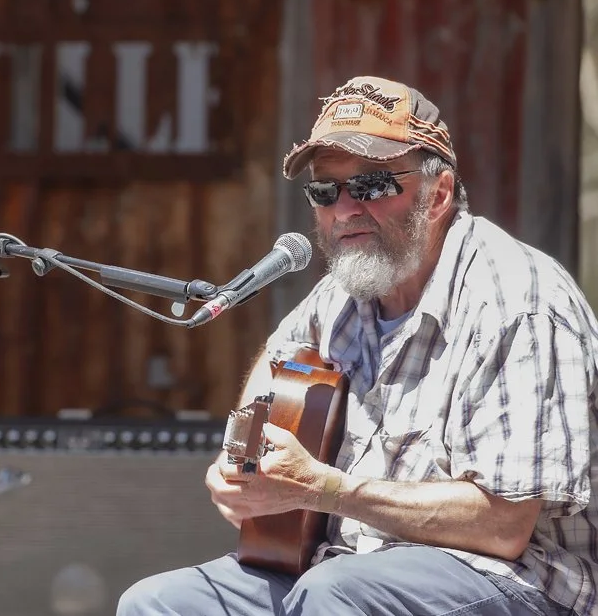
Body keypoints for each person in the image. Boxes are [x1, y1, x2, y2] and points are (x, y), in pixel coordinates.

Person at [117, 75, 598, 616]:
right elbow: (277, 361)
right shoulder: (349, 288)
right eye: (325, 191)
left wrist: (324, 490)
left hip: (512, 581)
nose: (344, 209)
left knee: (334, 593)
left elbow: (503, 526)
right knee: (158, 603)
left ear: (438, 195)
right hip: (341, 568)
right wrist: (241, 462)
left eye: (370, 186)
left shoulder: (520, 303)